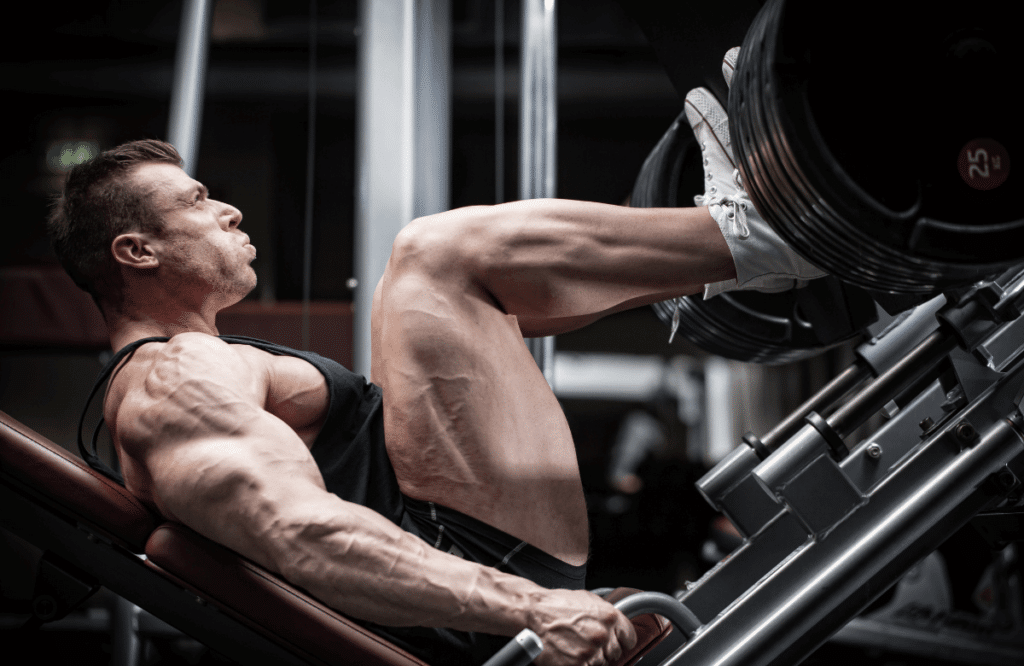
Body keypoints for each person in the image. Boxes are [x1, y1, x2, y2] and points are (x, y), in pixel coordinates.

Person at [47, 50, 824, 666]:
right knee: (435, 254)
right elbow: (302, 532)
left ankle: (725, 259)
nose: (228, 208)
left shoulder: (190, 367)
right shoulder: (169, 384)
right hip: (467, 601)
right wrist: (531, 608)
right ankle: (753, 239)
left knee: (454, 287)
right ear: (136, 250)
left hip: (461, 565)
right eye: (194, 201)